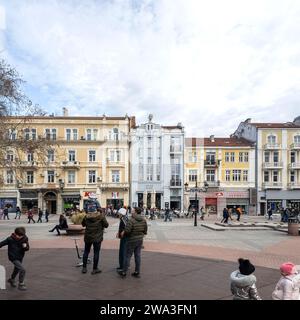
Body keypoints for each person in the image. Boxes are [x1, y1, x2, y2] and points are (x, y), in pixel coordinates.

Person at [118, 207, 148, 278]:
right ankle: (137, 271)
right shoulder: (143, 220)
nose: (131, 212)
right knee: (137, 256)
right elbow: (145, 231)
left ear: (135, 212)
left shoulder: (131, 220)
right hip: (140, 240)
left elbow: (127, 231)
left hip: (131, 240)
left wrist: (123, 233)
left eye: (133, 211)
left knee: (127, 256)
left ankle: (124, 272)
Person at [81, 208, 109, 274]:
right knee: (96, 253)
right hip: (97, 238)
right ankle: (95, 269)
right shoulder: (101, 216)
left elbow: (83, 224)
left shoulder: (86, 216)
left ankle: (84, 268)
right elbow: (106, 225)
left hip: (88, 237)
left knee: (86, 251)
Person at [116, 207, 129, 272]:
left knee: (123, 252)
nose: (118, 214)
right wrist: (118, 232)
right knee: (122, 252)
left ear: (121, 213)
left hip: (125, 238)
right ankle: (122, 265)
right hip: (123, 237)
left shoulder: (124, 219)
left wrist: (123, 231)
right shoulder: (123, 218)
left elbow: (127, 227)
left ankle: (123, 267)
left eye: (119, 213)